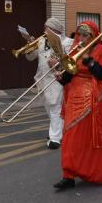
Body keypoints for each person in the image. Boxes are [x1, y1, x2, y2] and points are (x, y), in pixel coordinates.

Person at [52, 21, 102, 189]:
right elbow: (69, 76)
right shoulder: (74, 50)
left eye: (85, 34)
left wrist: (89, 60)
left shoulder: (101, 50)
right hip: (74, 98)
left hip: (95, 99)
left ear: (94, 36)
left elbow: (101, 74)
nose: (81, 37)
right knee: (70, 138)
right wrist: (60, 77)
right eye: (79, 34)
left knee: (90, 139)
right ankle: (68, 175)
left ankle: (95, 172)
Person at [25, 18, 73, 149]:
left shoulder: (68, 42)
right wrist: (29, 47)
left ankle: (55, 138)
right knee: (49, 106)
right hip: (41, 79)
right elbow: (31, 57)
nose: (44, 30)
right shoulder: (41, 40)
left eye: (46, 27)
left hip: (56, 78)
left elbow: (70, 62)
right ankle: (58, 131)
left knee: (55, 107)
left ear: (54, 29)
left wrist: (57, 63)